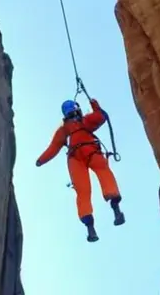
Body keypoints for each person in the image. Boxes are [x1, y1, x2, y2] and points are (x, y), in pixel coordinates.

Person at [35, 98, 125, 242]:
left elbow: (53, 147)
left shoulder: (66, 128)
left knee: (84, 190)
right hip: (87, 153)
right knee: (101, 176)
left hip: (77, 157)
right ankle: (114, 209)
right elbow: (101, 116)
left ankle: (92, 226)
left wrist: (41, 160)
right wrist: (95, 105)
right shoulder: (83, 122)